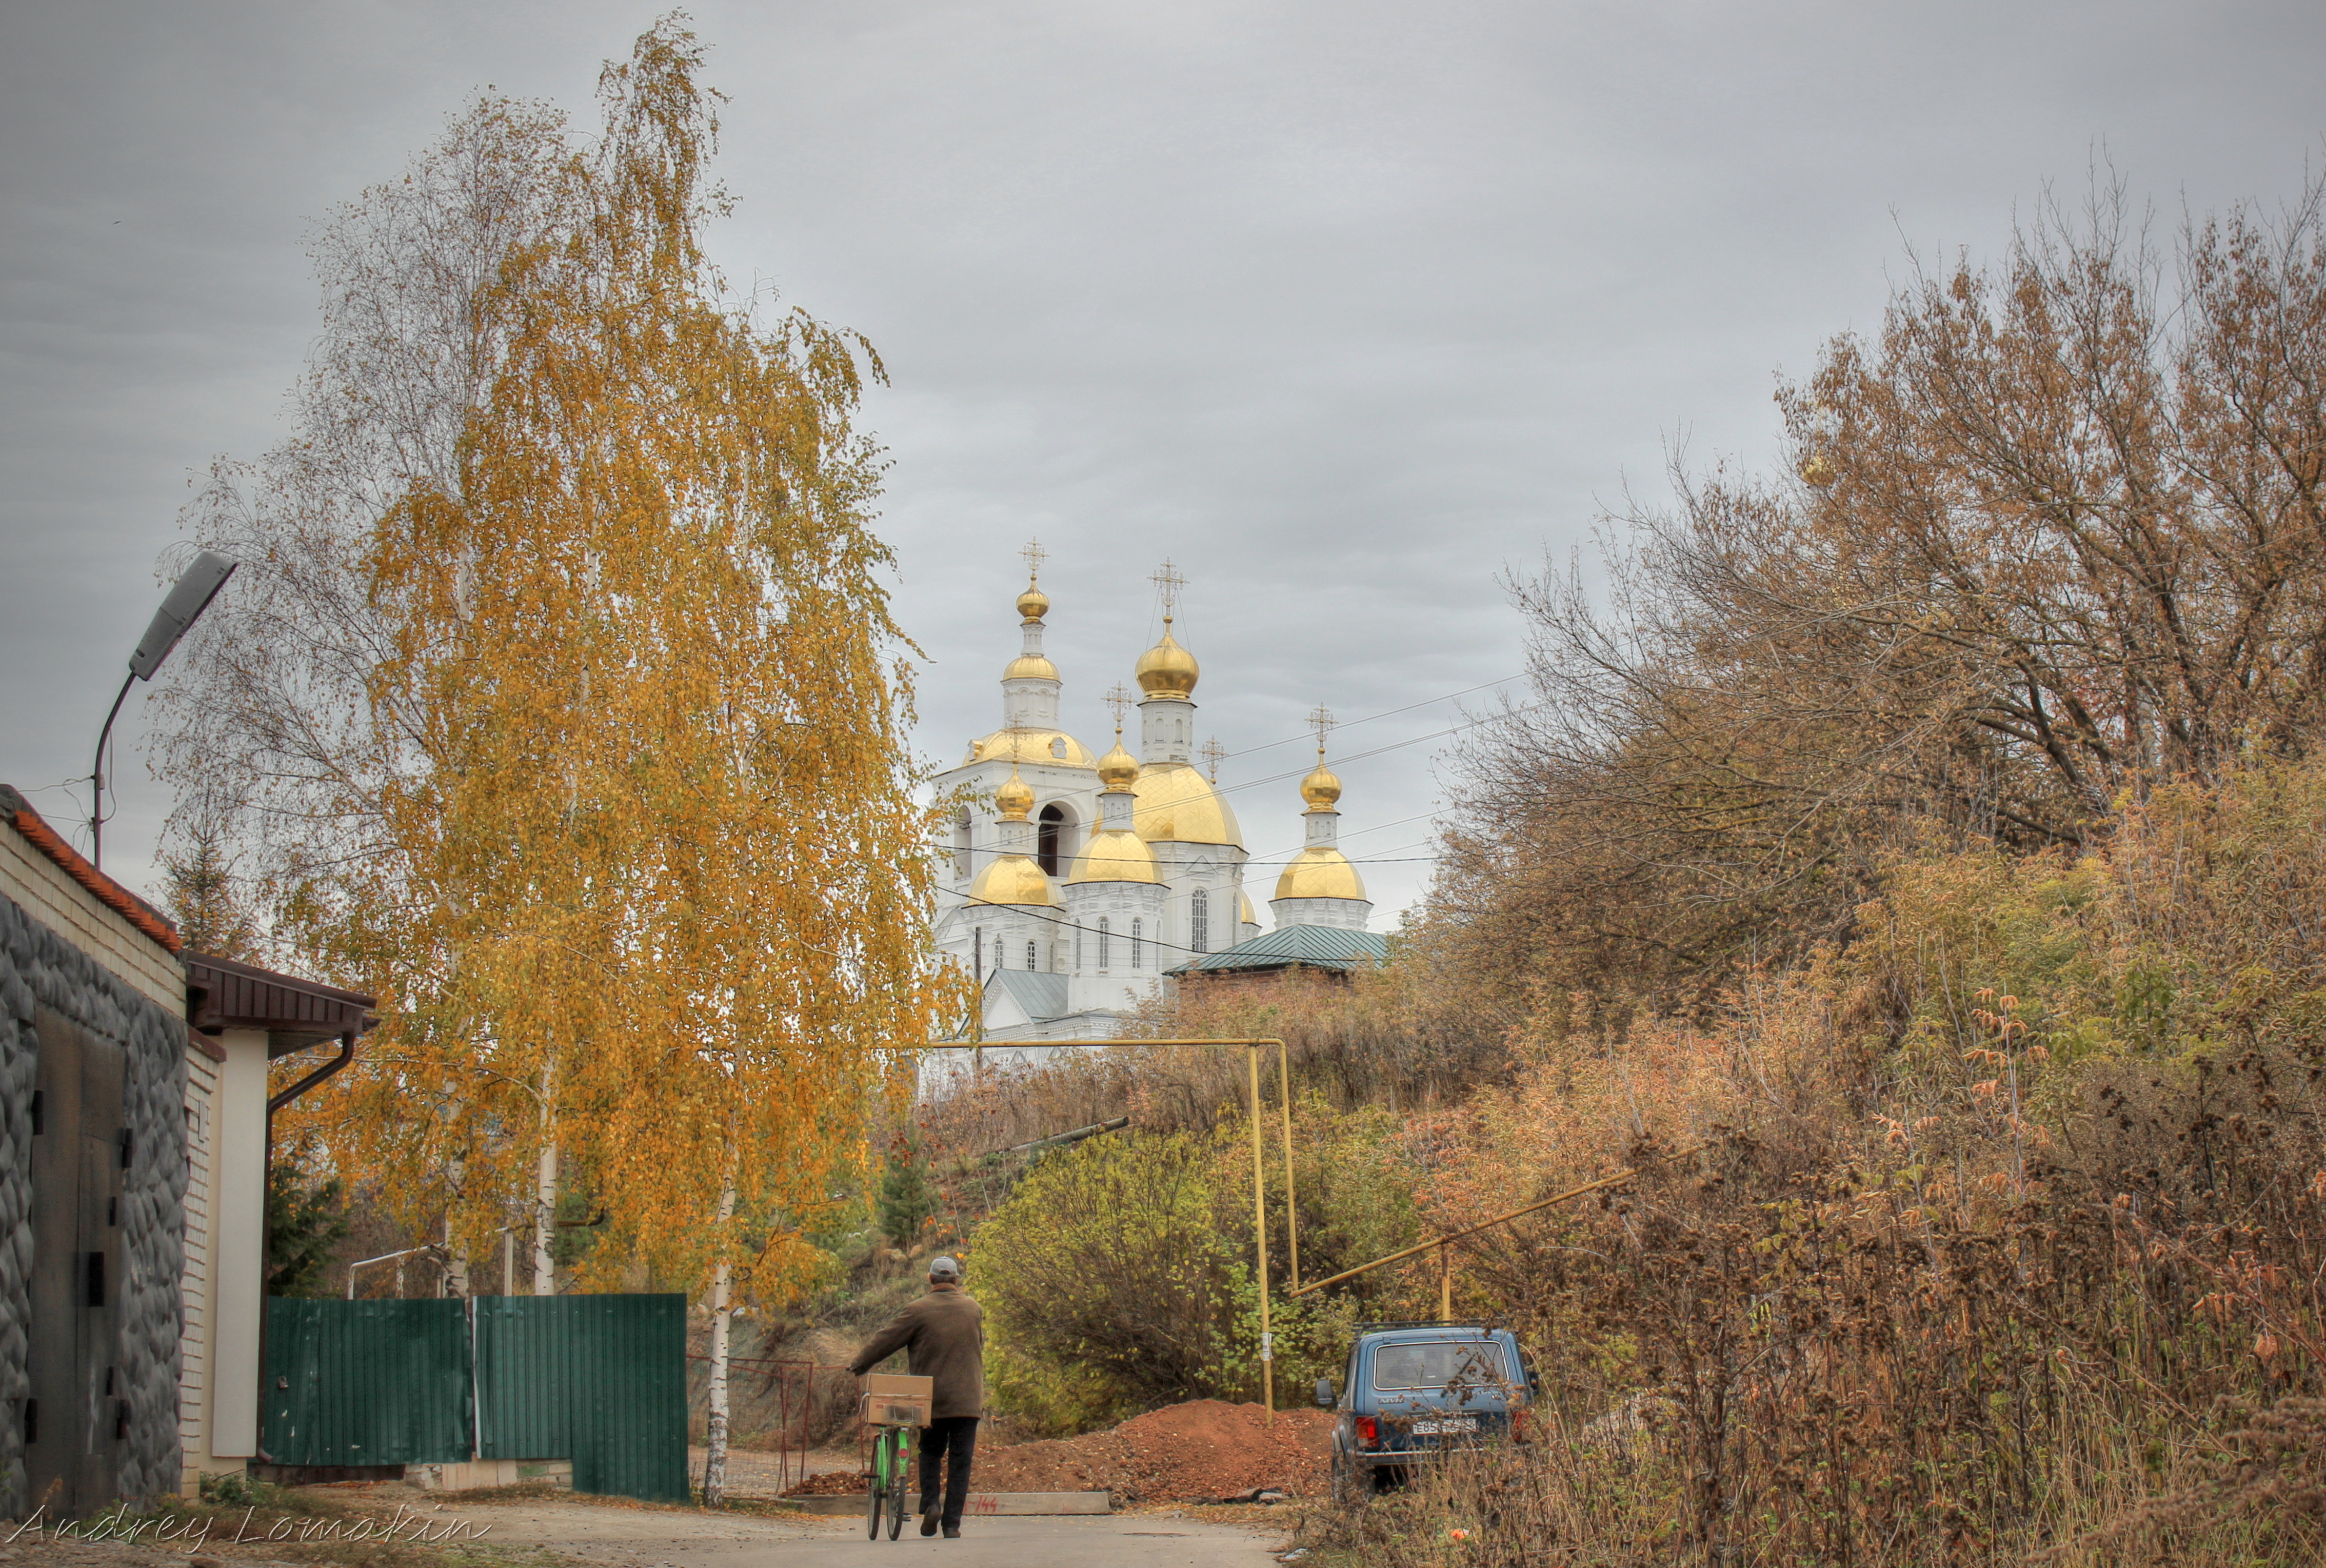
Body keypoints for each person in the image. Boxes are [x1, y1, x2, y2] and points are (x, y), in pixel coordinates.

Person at [848, 1254, 985, 1538]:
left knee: (931, 1453)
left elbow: (886, 1340)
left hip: (932, 1401)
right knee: (962, 1460)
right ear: (956, 1280)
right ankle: (952, 1525)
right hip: (968, 1401)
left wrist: (860, 1365)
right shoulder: (974, 1308)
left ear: (930, 1279)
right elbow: (978, 1343)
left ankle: (931, 1504)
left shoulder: (918, 1310)